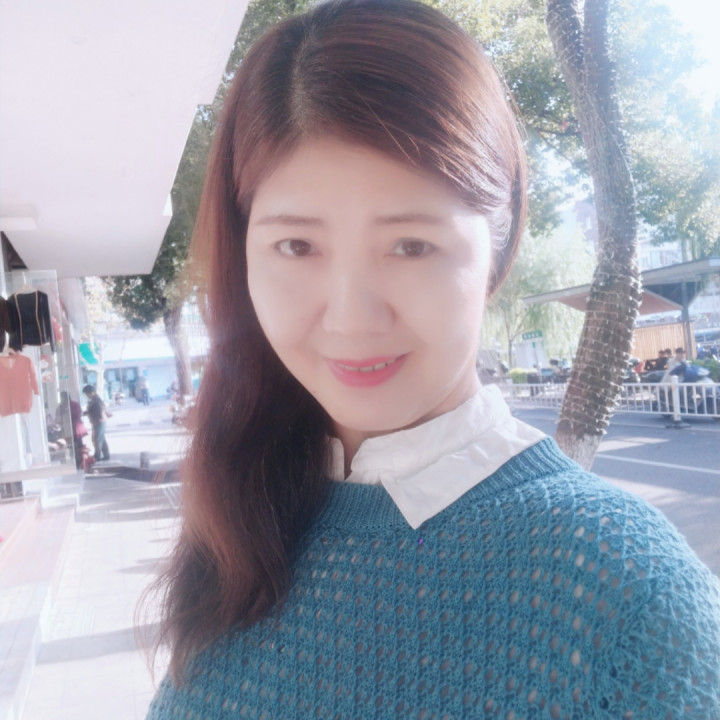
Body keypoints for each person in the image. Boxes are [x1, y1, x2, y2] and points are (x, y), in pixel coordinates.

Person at [145, 2, 720, 718]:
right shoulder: (241, 522)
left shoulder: (623, 590)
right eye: (297, 246)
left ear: (497, 251)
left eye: (412, 245)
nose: (351, 317)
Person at [83, 384, 110, 461]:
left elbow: (97, 411)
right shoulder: (93, 400)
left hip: (99, 421)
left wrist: (87, 412)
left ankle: (97, 455)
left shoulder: (96, 400)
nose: (87, 396)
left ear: (91, 392)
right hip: (97, 421)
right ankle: (106, 455)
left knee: (97, 439)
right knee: (101, 439)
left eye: (87, 394)